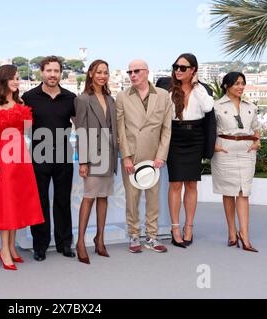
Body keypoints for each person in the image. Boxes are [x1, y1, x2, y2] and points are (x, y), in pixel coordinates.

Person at [0, 65, 44, 270]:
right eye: (12, 78)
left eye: (17, 78)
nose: (16, 81)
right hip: (2, 157)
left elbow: (26, 128)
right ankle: (4, 250)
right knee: (6, 205)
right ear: (3, 80)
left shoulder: (21, 101)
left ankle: (12, 247)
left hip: (20, 156)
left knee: (16, 202)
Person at [22, 56, 77, 261]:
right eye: (49, 71)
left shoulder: (70, 97)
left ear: (60, 73)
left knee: (63, 201)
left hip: (64, 155)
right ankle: (40, 246)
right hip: (39, 155)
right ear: (42, 73)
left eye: (56, 71)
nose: (52, 74)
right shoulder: (29, 97)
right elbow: (23, 128)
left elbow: (79, 124)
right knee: (40, 202)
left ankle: (65, 244)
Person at [116, 59, 172, 254]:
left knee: (153, 199)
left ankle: (152, 236)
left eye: (136, 71)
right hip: (132, 155)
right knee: (132, 199)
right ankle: (133, 234)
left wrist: (161, 155)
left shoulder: (163, 95)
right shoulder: (122, 96)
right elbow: (120, 130)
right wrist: (125, 157)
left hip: (154, 156)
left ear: (147, 72)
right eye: (129, 71)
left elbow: (167, 128)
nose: (132, 75)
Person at [167, 53, 214, 248]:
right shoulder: (168, 89)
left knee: (191, 185)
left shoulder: (202, 90)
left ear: (193, 70)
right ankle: (175, 227)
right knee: (176, 184)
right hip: (175, 138)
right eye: (176, 66)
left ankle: (189, 226)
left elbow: (208, 107)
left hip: (195, 138)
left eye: (183, 67)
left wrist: (196, 86)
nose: (178, 70)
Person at [73, 60, 118, 264]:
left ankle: (99, 239)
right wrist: (83, 161)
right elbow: (80, 130)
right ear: (90, 73)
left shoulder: (110, 99)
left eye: (105, 72)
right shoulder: (83, 99)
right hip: (92, 156)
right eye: (98, 72)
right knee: (89, 197)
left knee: (104, 197)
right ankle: (80, 242)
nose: (102, 75)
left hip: (108, 155)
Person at [211, 72, 261, 252]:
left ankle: (244, 235)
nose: (240, 87)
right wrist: (214, 147)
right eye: (236, 83)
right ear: (226, 86)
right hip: (225, 151)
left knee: (243, 192)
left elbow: (256, 129)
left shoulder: (251, 106)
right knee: (228, 191)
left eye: (242, 83)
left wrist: (257, 142)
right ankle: (232, 232)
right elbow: (209, 130)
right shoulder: (215, 106)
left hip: (247, 152)